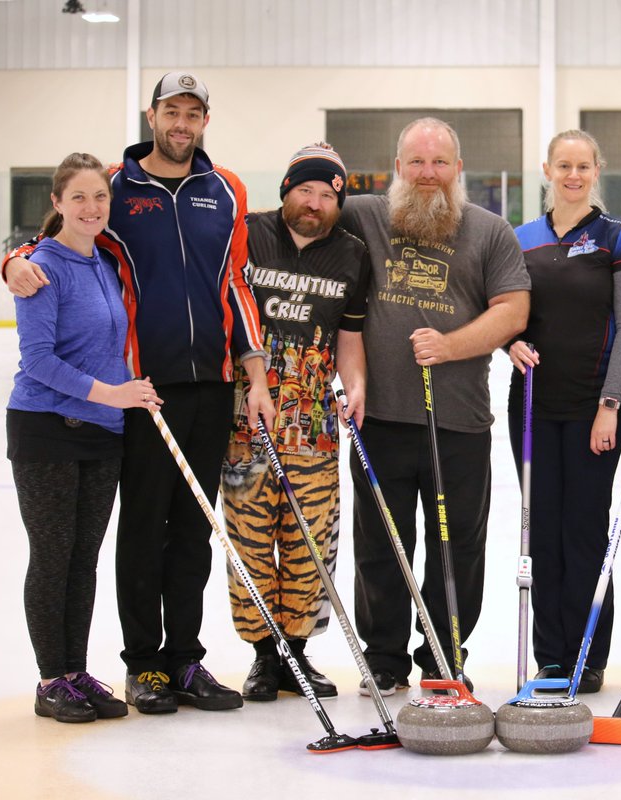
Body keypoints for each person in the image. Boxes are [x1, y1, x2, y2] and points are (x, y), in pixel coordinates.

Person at [4, 72, 275, 714]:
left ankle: (185, 659)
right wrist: (17, 259)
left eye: (193, 113)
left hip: (211, 384)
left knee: (192, 529)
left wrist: (254, 369)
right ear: (151, 115)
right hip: (142, 391)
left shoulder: (226, 189)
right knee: (143, 527)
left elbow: (235, 281)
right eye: (170, 111)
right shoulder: (118, 189)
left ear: (205, 119)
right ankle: (144, 665)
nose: (181, 123)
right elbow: (64, 237)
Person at [338, 117, 529, 695]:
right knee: (381, 545)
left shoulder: (490, 231)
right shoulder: (363, 216)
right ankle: (385, 657)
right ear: (397, 167)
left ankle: (445, 655)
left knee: (457, 548)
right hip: (381, 419)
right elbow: (301, 215)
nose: (428, 174)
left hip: (459, 423)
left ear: (457, 168)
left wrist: (450, 346)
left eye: (439, 162)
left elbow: (512, 311)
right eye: (416, 162)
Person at [8, 153, 163, 724]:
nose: (92, 207)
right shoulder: (40, 266)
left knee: (83, 560)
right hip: (46, 428)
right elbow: (38, 360)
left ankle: (75, 670)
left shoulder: (104, 263)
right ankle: (51, 679)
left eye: (100, 197)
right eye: (78, 197)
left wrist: (127, 394)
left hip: (102, 433)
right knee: (52, 558)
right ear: (57, 203)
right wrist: (113, 393)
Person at [221, 143, 371, 701]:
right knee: (252, 542)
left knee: (311, 544)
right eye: (305, 190)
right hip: (247, 421)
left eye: (327, 194)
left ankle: (297, 652)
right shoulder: (249, 234)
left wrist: (355, 385)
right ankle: (264, 656)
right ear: (286, 190)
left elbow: (350, 337)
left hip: (314, 424)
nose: (314, 203)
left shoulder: (352, 254)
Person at [506, 130, 621, 693]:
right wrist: (505, 343)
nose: (572, 175)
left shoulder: (618, 237)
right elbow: (504, 310)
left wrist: (610, 405)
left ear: (596, 171)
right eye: (563, 165)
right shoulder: (521, 239)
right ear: (547, 169)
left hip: (595, 410)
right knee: (543, 535)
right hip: (534, 408)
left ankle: (587, 653)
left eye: (583, 166)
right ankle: (552, 657)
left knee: (584, 531)